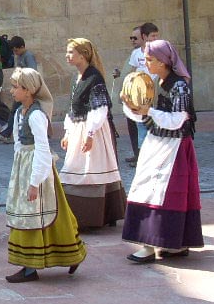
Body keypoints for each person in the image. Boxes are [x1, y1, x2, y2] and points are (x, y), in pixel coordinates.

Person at [121, 40, 203, 263]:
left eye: (150, 60)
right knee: (145, 189)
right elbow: (145, 116)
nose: (146, 63)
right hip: (156, 142)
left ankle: (170, 244)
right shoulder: (154, 82)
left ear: (164, 62)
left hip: (174, 148)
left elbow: (177, 120)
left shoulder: (179, 86)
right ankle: (152, 244)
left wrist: (149, 111)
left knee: (164, 194)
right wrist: (133, 108)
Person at [4, 68, 86, 282]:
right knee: (42, 215)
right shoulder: (19, 113)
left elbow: (41, 148)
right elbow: (18, 143)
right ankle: (65, 256)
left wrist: (34, 182)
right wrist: (19, 173)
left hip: (38, 171)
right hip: (25, 167)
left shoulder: (36, 115)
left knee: (39, 215)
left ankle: (32, 267)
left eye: (15, 87)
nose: (11, 91)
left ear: (28, 90)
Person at [59, 38, 126, 229]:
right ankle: (80, 216)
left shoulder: (94, 77)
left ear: (83, 55)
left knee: (91, 171)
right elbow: (73, 107)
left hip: (94, 131)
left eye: (71, 52)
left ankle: (94, 217)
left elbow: (100, 109)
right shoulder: (78, 78)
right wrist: (67, 132)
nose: (67, 55)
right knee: (77, 169)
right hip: (79, 128)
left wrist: (90, 134)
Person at [124, 25, 151, 165]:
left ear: (143, 37)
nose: (132, 40)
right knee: (136, 125)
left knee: (146, 126)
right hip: (138, 94)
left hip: (151, 94)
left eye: (135, 38)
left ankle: (145, 157)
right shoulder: (135, 54)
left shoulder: (152, 52)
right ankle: (138, 154)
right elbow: (132, 72)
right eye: (131, 38)